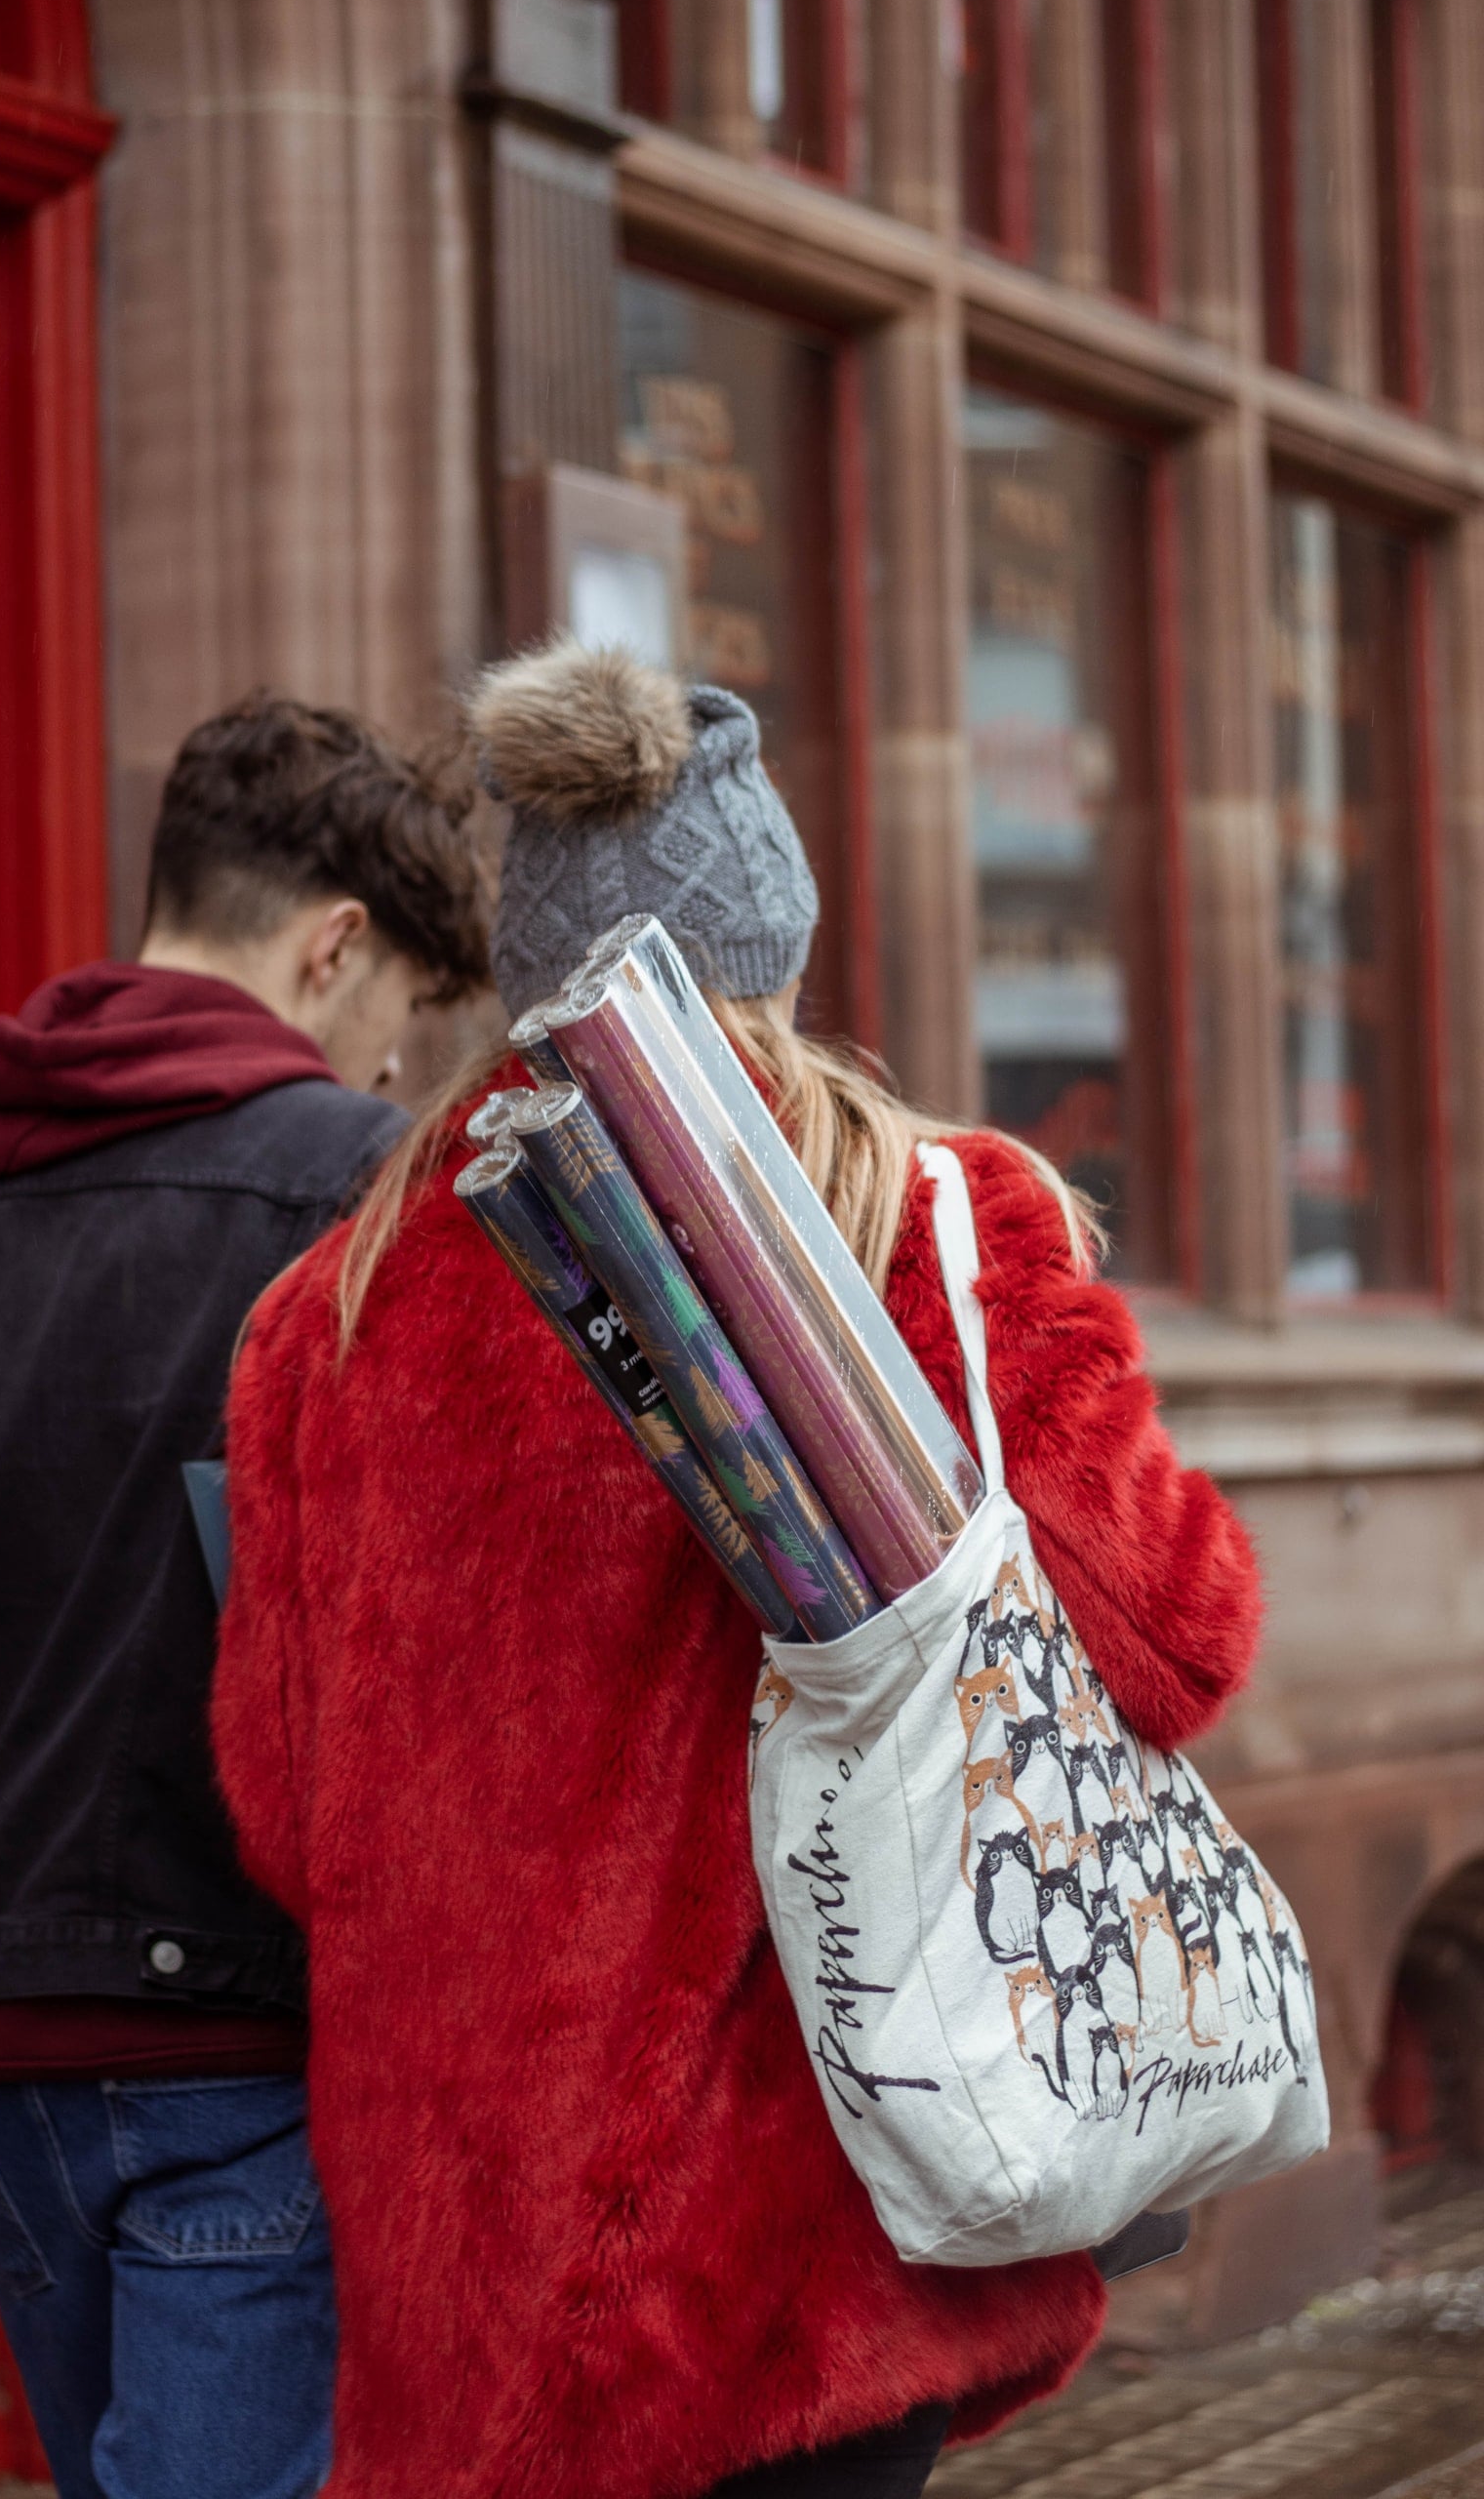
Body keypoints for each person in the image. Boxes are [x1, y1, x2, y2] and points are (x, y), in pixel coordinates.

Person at [212, 644, 1263, 2499]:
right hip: (802, 2234)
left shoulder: (333, 1306)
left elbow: (283, 1812)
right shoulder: (926, 1220)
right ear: (776, 943)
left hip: (465, 2238)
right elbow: (1177, 1641)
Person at [0, 694, 488, 2499]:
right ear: (335, 946)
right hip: (251, 2031)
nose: (390, 1069)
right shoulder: (366, 1201)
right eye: (399, 1018)